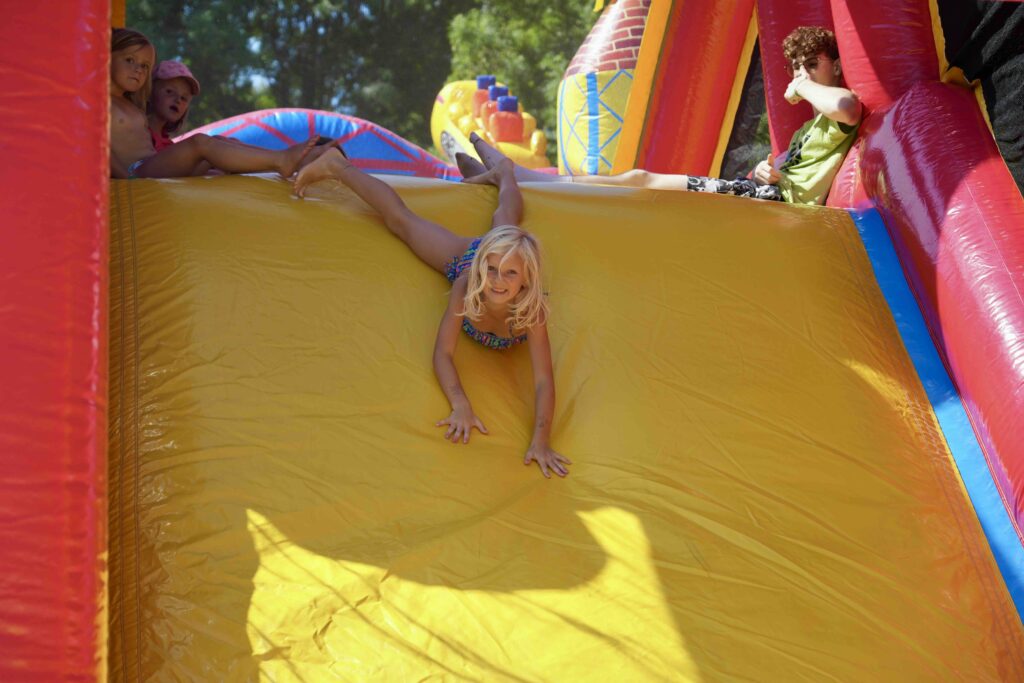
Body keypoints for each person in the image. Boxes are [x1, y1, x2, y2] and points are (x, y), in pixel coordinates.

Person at [293, 147, 571, 478]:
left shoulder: (530, 311)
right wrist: (460, 403)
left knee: (507, 221)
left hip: (501, 253)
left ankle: (504, 173)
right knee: (402, 222)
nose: (497, 281)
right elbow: (443, 352)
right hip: (470, 255)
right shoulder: (469, 284)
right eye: (492, 270)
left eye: (510, 274)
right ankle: (337, 165)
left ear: (526, 279)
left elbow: (543, 380)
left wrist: (541, 440)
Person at [459, 26, 862, 207]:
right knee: (638, 179)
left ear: (837, 66)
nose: (803, 74)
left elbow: (848, 108)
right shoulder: (808, 129)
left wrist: (801, 86)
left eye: (813, 64)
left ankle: (523, 177)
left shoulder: (837, 110)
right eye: (797, 68)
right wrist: (764, 170)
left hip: (774, 204)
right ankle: (523, 177)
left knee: (641, 182)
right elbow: (785, 169)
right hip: (761, 193)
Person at [110, 28, 319, 180]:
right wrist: (125, 178)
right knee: (199, 143)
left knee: (218, 143)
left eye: (145, 66)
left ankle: (289, 163)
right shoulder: (101, 103)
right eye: (130, 60)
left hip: (151, 163)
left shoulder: (129, 104)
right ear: (107, 56)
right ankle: (281, 160)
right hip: (136, 170)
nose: (138, 70)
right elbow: (101, 151)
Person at [148, 60, 200, 152]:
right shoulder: (137, 133)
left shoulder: (170, 147)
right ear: (149, 92)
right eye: (169, 91)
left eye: (184, 98)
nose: (178, 100)